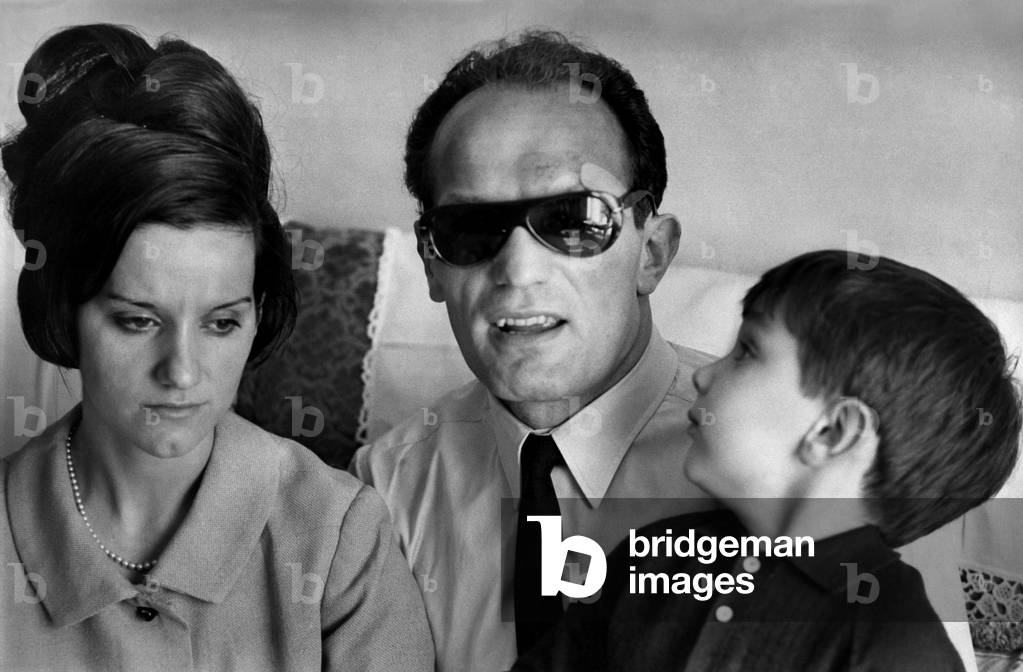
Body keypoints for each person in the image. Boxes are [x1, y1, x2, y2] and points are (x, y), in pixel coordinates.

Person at [0, 24, 433, 671]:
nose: (182, 372)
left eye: (221, 323)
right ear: (64, 311)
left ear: (258, 312)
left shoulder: (341, 542)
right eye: (137, 321)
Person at [350, 30, 715, 672]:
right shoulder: (388, 488)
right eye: (470, 228)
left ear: (652, 252)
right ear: (432, 265)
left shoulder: (783, 465)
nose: (517, 272)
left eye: (573, 219)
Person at [512, 250, 1021, 671]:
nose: (702, 376)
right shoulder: (656, 556)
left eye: (747, 352)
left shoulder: (896, 643)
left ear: (833, 432)